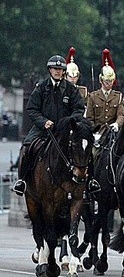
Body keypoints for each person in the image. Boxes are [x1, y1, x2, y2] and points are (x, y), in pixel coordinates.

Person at [12, 55, 86, 196]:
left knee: (84, 148)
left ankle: (89, 181)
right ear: (49, 70)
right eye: (55, 69)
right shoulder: (41, 88)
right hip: (43, 129)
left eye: (60, 69)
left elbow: (79, 109)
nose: (58, 71)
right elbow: (32, 109)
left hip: (65, 131)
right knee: (27, 147)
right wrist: (43, 121)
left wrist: (68, 122)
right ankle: (22, 181)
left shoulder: (71, 89)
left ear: (64, 71)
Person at [86, 49, 124, 160]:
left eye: (111, 81)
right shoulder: (93, 96)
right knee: (93, 155)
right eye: (107, 82)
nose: (109, 84)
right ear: (101, 81)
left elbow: (121, 115)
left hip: (113, 135)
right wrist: (94, 132)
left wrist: (117, 124)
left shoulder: (118, 96)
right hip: (99, 135)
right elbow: (89, 118)